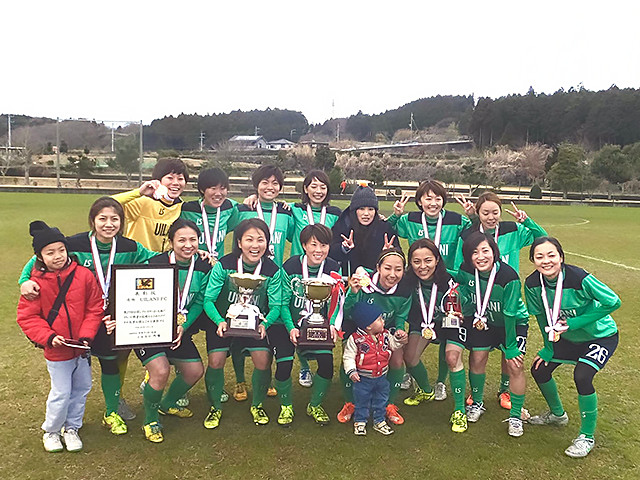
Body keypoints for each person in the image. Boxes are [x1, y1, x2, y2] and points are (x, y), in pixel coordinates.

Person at [18, 197, 157, 432]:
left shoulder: (130, 247)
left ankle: (111, 411)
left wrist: (193, 255)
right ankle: (62, 421)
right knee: (73, 371)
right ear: (93, 220)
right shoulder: (73, 244)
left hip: (110, 317)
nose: (108, 224)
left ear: (121, 222)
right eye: (102, 218)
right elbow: (38, 258)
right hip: (80, 317)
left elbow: (157, 260)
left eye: (115, 219)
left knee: (110, 363)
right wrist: (24, 281)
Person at [525, 237, 620, 458]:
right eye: (539, 256)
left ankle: (586, 437)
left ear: (561, 257)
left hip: (600, 336)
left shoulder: (579, 277)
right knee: (540, 369)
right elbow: (541, 317)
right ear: (533, 260)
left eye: (551, 255)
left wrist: (575, 322)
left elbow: (613, 301)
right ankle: (557, 415)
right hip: (566, 338)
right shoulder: (532, 284)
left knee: (582, 376)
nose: (546, 261)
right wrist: (548, 347)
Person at [17, 221, 104, 452]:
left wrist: (86, 336)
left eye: (61, 250)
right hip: (57, 350)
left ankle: (72, 427)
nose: (57, 256)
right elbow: (27, 317)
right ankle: (52, 431)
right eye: (50, 252)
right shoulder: (34, 284)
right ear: (39, 256)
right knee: (61, 392)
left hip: (81, 348)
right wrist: (49, 337)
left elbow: (94, 307)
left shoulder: (83, 275)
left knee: (82, 388)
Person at [458, 191, 548, 411]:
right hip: (482, 307)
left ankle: (505, 390)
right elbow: (462, 268)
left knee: (510, 355)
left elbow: (542, 241)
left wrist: (527, 221)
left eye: (495, 212)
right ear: (478, 213)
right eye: (485, 213)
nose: (491, 217)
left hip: (508, 297)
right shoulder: (469, 235)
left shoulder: (512, 230)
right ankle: (476, 395)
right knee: (478, 355)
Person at [389, 180, 471, 401]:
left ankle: (441, 383)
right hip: (420, 284)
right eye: (428, 198)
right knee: (413, 345)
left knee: (447, 338)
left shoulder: (457, 220)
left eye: (437, 198)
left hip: (445, 283)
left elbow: (476, 235)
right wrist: (395, 215)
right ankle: (416, 378)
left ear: (443, 200)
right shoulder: (410, 219)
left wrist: (472, 217)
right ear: (419, 201)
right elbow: (387, 230)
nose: (433, 203)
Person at [135, 220, 211, 443]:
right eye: (181, 240)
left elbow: (199, 302)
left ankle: (167, 404)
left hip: (177, 330)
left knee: (194, 371)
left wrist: (183, 327)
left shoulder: (204, 266)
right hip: (149, 327)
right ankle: (150, 420)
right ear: (171, 242)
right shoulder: (154, 263)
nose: (188, 245)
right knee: (160, 371)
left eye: (193, 240)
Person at [202, 218, 283, 428]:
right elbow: (208, 300)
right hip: (223, 322)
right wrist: (219, 321)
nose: (255, 245)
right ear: (239, 242)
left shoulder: (273, 270)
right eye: (249, 239)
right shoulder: (224, 265)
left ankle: (257, 405)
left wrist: (265, 324)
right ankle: (215, 407)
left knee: (263, 360)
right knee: (216, 361)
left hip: (255, 324)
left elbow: (276, 305)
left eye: (260, 240)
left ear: (267, 243)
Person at [454, 231, 530, 437]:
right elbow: (459, 282)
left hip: (512, 323)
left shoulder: (508, 276)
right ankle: (477, 403)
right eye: (474, 252)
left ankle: (515, 415)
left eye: (485, 251)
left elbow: (510, 313)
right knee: (477, 358)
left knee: (515, 364)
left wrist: (511, 346)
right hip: (483, 322)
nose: (480, 257)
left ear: (494, 252)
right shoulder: (466, 270)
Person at [335, 247, 411, 426]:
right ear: (378, 267)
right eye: (387, 268)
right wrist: (352, 292)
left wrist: (400, 331)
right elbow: (347, 312)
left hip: (385, 328)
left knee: (397, 360)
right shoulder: (364, 283)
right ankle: (350, 402)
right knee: (350, 358)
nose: (392, 274)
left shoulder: (405, 289)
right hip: (357, 326)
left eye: (398, 269)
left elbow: (400, 316)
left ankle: (388, 405)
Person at [277, 224, 341, 426]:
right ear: (304, 245)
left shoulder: (333, 267)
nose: (318, 250)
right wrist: (291, 327)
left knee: (327, 365)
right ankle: (286, 406)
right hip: (288, 323)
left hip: (318, 324)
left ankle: (315, 405)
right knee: (283, 365)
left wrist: (332, 324)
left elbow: (336, 301)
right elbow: (283, 302)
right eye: (313, 245)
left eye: (324, 245)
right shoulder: (291, 266)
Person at [289, 170, 341, 388]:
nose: (318, 191)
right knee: (298, 313)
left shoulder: (336, 213)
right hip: (298, 270)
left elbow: (355, 225)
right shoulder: (293, 209)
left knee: (319, 314)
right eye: (314, 186)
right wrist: (254, 198)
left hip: (324, 270)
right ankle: (304, 365)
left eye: (323, 186)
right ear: (305, 188)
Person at [403, 239, 459, 412]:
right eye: (416, 261)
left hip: (446, 322)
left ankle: (441, 382)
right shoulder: (407, 279)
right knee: (410, 357)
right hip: (422, 322)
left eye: (428, 260)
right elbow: (384, 274)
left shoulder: (449, 279)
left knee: (448, 351)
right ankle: (426, 390)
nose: (422, 266)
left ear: (437, 259)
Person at [343, 301, 408, 436]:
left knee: (381, 400)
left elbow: (393, 346)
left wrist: (399, 340)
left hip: (381, 377)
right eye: (379, 319)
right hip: (363, 379)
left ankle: (379, 421)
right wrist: (351, 371)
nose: (383, 321)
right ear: (368, 326)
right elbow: (348, 356)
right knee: (361, 400)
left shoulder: (385, 335)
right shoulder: (355, 339)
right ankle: (360, 421)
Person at [112, 158, 189, 252]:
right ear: (158, 180)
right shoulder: (142, 203)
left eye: (180, 179)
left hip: (164, 260)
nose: (176, 183)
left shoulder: (182, 208)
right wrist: (139, 192)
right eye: (170, 178)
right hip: (139, 259)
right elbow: (106, 203)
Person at [330, 183, 400, 275]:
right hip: (349, 279)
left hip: (378, 279)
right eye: (362, 209)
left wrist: (389, 253)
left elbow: (400, 256)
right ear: (354, 210)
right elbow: (330, 253)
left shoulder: (385, 228)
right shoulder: (343, 226)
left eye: (370, 209)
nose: (366, 213)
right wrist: (343, 248)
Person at [180, 167, 239, 259]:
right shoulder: (187, 210)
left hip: (217, 264)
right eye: (213, 188)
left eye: (222, 188)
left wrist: (254, 197)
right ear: (202, 190)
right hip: (193, 264)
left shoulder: (230, 208)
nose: (218, 193)